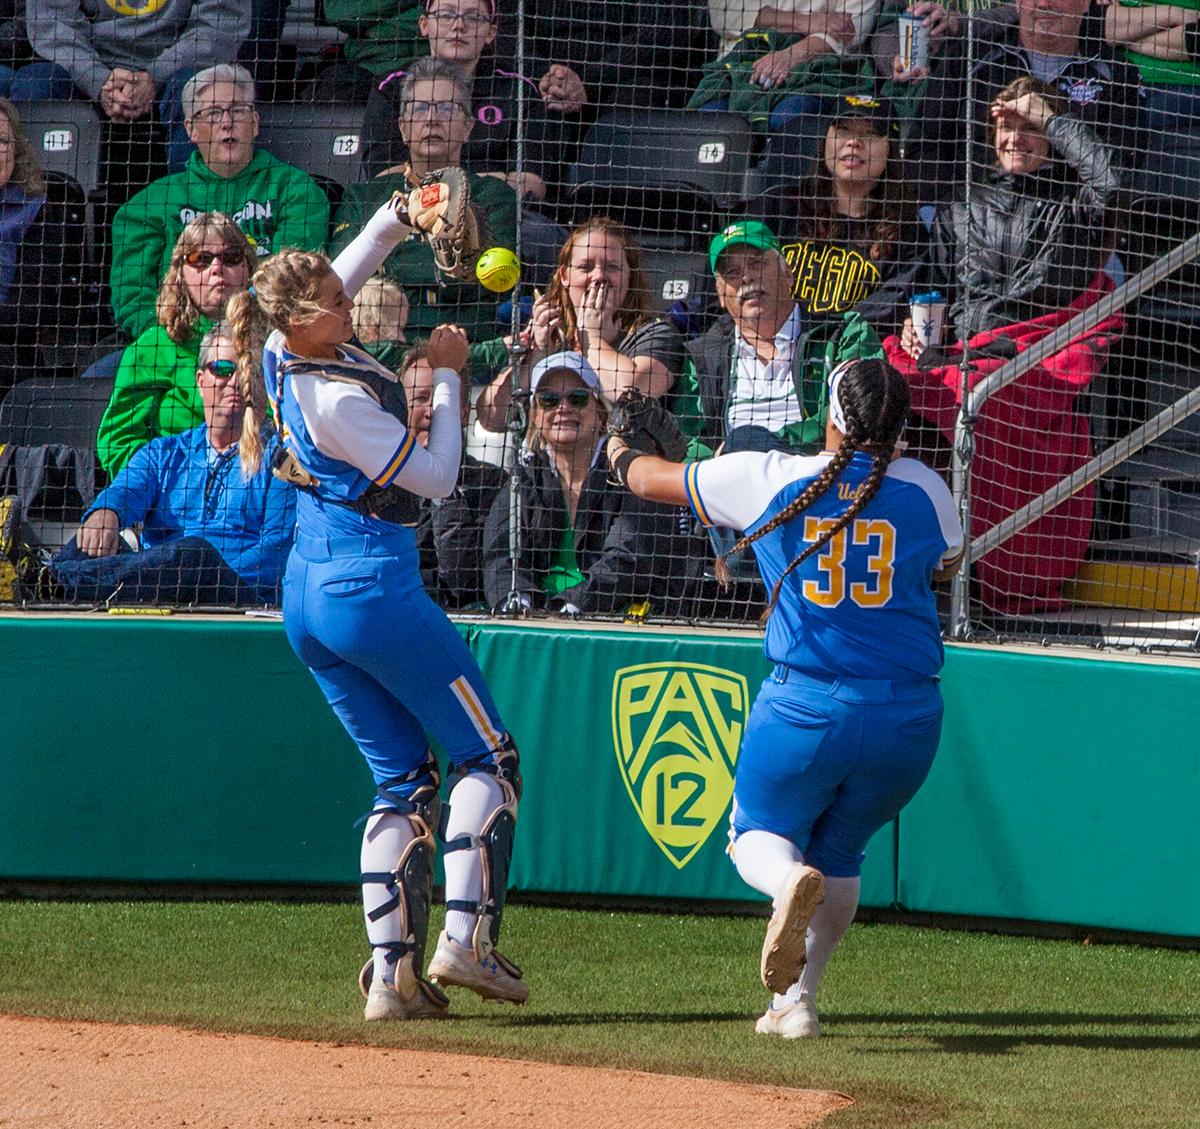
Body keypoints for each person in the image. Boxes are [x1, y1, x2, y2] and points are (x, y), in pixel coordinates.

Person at [227, 191, 527, 1021]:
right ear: (302, 319)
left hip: (311, 592)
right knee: (489, 760)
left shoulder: (287, 348)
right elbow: (436, 479)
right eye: (330, 294)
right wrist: (451, 380)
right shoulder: (335, 398)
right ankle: (465, 941)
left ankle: (391, 977)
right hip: (372, 589)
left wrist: (411, 206)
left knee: (402, 776)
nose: (345, 293)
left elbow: (361, 251)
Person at [606, 355, 964, 1038]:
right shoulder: (926, 488)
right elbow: (947, 561)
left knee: (754, 841)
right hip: (907, 718)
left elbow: (650, 480)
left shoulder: (768, 475)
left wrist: (617, 446)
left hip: (806, 707)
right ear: (901, 427)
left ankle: (784, 887)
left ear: (831, 416)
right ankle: (793, 1002)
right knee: (843, 854)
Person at [45, 322, 295, 607]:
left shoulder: (279, 458)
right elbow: (127, 490)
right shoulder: (165, 453)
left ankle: (58, 581)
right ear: (201, 381)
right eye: (223, 369)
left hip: (237, 594)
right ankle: (43, 579)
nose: (236, 381)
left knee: (195, 555)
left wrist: (205, 573)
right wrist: (107, 512)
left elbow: (276, 550)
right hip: (156, 585)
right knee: (89, 539)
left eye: (248, 371)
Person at [110, 64, 330, 341]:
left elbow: (291, 286)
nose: (227, 122)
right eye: (213, 113)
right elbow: (133, 301)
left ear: (255, 122)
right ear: (191, 130)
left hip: (267, 341)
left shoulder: (296, 191)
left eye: (238, 110)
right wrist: (180, 345)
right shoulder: (148, 205)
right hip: (173, 346)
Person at [901, 76, 1119, 350]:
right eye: (1006, 127)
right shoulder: (961, 203)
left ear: (1051, 138)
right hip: (965, 355)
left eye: (1030, 127)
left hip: (1040, 358)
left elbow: (1110, 184)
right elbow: (935, 292)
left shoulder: (1076, 203)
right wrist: (914, 327)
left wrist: (1051, 119)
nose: (1015, 139)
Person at [482, 350, 701, 617]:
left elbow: (627, 558)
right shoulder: (526, 475)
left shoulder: (628, 469)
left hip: (611, 621)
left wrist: (573, 606)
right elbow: (501, 551)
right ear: (536, 416)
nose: (564, 408)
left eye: (577, 398)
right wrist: (515, 600)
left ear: (599, 413)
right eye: (549, 400)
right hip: (536, 617)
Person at [327, 57, 517, 345]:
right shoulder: (364, 197)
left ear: (467, 127)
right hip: (379, 346)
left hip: (467, 342)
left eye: (446, 108)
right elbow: (341, 279)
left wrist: (391, 275)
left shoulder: (494, 195)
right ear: (403, 128)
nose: (432, 118)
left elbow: (489, 290)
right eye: (419, 108)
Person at [878, 0, 1145, 187]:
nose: (1044, 4)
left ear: (1087, 3)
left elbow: (1123, 168)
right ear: (1016, 2)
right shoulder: (972, 57)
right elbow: (923, 144)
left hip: (1072, 230)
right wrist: (946, 215)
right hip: (974, 228)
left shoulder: (1116, 75)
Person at [674, 220, 881, 457]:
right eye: (732, 272)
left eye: (757, 263)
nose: (746, 278)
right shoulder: (700, 356)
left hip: (819, 478)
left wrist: (759, 446)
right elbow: (687, 439)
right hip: (731, 486)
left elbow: (862, 407)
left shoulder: (844, 335)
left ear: (789, 274)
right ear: (720, 294)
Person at [475, 216, 685, 432]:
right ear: (564, 275)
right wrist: (537, 356)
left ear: (630, 277)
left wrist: (592, 338)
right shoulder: (549, 335)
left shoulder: (655, 334)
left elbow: (635, 393)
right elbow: (491, 417)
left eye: (612, 267)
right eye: (586, 267)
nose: (599, 276)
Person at [97, 212, 255, 476]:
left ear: (249, 269)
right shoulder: (154, 346)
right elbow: (118, 441)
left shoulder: (276, 340)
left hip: (261, 484)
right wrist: (166, 487)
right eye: (201, 260)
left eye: (231, 258)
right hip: (177, 494)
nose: (217, 268)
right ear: (180, 272)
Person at [756, 94, 921, 336]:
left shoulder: (907, 232)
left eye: (870, 133)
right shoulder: (779, 207)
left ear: (891, 149)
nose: (854, 142)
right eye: (843, 130)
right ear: (825, 140)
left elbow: (893, 306)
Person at [20, 0, 248, 172]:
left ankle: (193, 219)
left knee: (203, 92)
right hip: (85, 66)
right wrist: (98, 80)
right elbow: (52, 24)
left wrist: (154, 76)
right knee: (35, 84)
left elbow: (220, 24)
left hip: (177, 66)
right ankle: (39, 216)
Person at [400, 341, 504, 608]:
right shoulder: (380, 486)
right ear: (400, 409)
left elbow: (468, 582)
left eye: (443, 399)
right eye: (421, 398)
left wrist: (447, 495)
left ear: (463, 412)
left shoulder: (493, 485)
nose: (432, 411)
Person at [688, 0, 880, 142]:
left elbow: (853, 29)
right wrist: (805, 22)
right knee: (712, 120)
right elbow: (723, 13)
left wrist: (792, 55)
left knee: (791, 118)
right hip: (738, 61)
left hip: (817, 66)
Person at [0, 98, 82, 397]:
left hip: (9, 352)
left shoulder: (42, 209)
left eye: (2, 141)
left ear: (16, 151)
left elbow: (31, 308)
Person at [1104, 0, 1200, 195]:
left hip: (1185, 89)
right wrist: (1172, 15)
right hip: (1115, 88)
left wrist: (1126, 35)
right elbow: (1093, 24)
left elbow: (1195, 39)